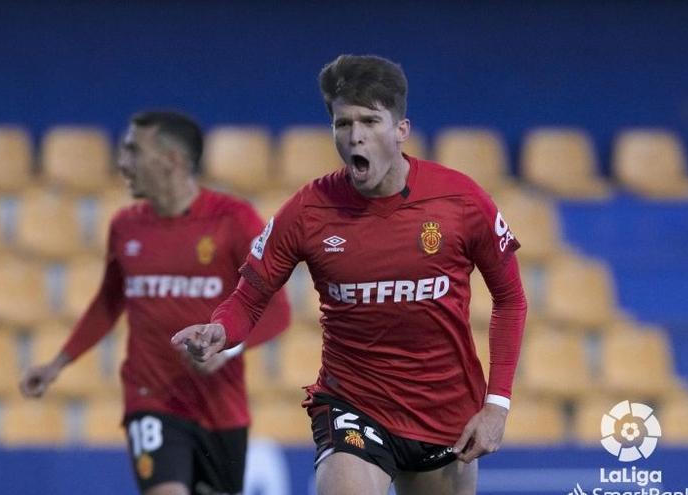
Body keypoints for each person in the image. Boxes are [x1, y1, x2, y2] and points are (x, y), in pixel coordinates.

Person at [172, 55, 527, 495]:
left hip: (445, 412)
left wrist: (497, 405)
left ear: (401, 129)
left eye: (370, 121)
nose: (355, 135)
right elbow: (250, 297)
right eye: (343, 124)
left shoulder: (461, 201)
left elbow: (510, 299)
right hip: (354, 405)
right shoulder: (308, 211)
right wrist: (220, 330)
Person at [20, 110, 291, 495]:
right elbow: (108, 302)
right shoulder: (125, 226)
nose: (122, 162)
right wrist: (57, 363)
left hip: (220, 405)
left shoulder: (233, 220)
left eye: (133, 150)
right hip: (151, 396)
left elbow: (277, 311)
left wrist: (225, 351)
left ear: (172, 161)